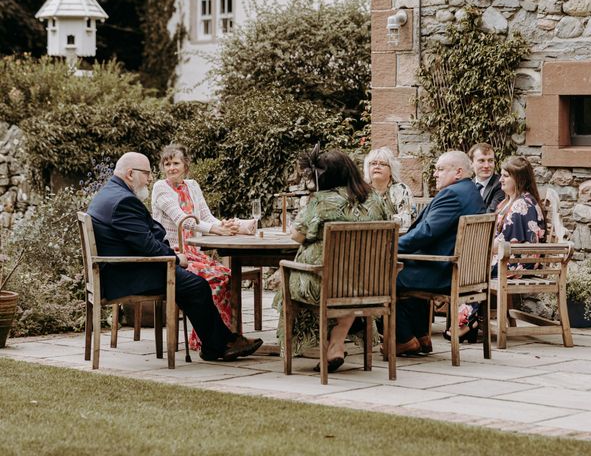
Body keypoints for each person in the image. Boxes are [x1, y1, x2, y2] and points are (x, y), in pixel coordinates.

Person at [87, 152, 262, 362]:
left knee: (192, 284)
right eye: (147, 173)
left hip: (121, 270)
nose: (150, 179)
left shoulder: (110, 193)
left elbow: (145, 237)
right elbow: (148, 246)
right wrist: (177, 259)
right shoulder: (123, 201)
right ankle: (219, 345)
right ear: (131, 173)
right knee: (197, 285)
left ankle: (220, 342)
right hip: (127, 276)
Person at [275, 147, 389, 373]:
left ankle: (308, 347)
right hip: (368, 283)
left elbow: (297, 235)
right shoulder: (375, 198)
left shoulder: (320, 201)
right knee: (345, 285)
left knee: (294, 280)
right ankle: (335, 345)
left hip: (322, 280)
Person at [151, 144, 256, 352]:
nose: (171, 168)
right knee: (213, 279)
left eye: (175, 163)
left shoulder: (193, 186)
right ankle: (210, 341)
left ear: (186, 165)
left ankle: (228, 338)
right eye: (167, 163)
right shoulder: (160, 188)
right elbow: (182, 220)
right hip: (175, 254)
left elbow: (205, 217)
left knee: (228, 276)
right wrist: (217, 231)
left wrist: (222, 226)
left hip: (194, 253)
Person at [444, 155, 546, 343]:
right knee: (468, 266)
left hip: (518, 262)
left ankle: (466, 322)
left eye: (506, 176)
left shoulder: (522, 204)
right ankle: (468, 321)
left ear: (519, 179)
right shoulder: (506, 202)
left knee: (472, 271)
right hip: (505, 258)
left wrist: (479, 250)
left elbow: (509, 242)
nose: (500, 179)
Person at [395, 151, 485, 356]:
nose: (435, 174)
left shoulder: (452, 194)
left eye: (440, 169)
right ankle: (421, 338)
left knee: (387, 276)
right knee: (407, 268)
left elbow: (426, 232)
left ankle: (404, 339)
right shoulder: (471, 191)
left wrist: (391, 246)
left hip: (444, 272)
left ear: (458, 172)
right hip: (462, 272)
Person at [363, 146, 414, 228]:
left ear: (391, 170)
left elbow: (407, 219)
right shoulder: (361, 190)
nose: (377, 166)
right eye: (373, 163)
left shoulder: (401, 190)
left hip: (396, 237)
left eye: (382, 164)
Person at [468, 143, 504, 213]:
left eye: (490, 160)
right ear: (471, 164)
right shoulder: (468, 185)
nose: (486, 166)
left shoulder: (500, 184)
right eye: (481, 161)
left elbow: (490, 215)